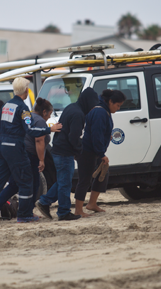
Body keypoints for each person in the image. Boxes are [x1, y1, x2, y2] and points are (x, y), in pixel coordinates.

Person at [0, 78, 62, 225]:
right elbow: (31, 130)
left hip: (0, 147)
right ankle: (24, 214)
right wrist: (49, 129)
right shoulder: (23, 109)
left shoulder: (6, 106)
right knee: (26, 180)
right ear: (26, 90)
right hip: (14, 148)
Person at [36, 88, 99, 221]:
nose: (93, 108)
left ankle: (44, 201)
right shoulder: (78, 114)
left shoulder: (72, 107)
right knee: (65, 184)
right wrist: (78, 152)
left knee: (62, 181)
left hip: (59, 149)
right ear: (88, 102)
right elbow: (74, 137)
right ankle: (63, 212)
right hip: (65, 152)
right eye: (93, 104)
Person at [0, 98, 54, 221]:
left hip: (16, 152)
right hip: (30, 155)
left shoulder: (28, 116)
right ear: (44, 112)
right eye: (50, 114)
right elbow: (39, 140)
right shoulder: (40, 121)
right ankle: (27, 212)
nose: (49, 118)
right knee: (33, 184)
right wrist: (41, 160)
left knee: (14, 184)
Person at [74, 89, 126, 217]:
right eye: (118, 105)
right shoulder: (100, 112)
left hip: (94, 150)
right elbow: (96, 135)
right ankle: (78, 210)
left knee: (104, 173)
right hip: (88, 150)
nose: (118, 108)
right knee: (85, 179)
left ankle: (92, 203)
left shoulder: (104, 110)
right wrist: (101, 153)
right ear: (110, 101)